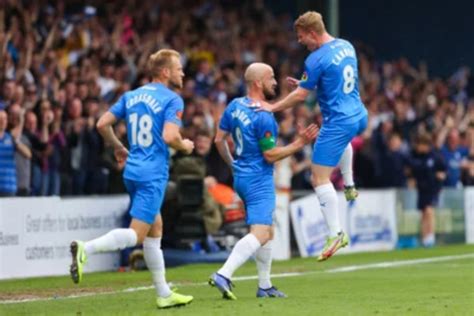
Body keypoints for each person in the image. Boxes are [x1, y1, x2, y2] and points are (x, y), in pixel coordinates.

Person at [69, 49, 194, 309]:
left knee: (155, 229)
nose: (183, 72)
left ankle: (163, 293)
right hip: (152, 174)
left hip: (133, 171)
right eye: (178, 67)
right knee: (137, 235)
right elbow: (171, 137)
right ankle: (86, 249)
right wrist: (186, 146)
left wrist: (117, 147)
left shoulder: (132, 95)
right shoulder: (173, 100)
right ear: (165, 72)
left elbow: (102, 123)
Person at [261, 11, 368, 261]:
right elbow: (336, 78)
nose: (300, 41)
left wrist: (273, 106)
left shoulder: (315, 59)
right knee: (343, 142)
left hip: (338, 121)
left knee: (318, 178)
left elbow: (300, 96)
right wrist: (307, 82)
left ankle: (336, 233)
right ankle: (350, 185)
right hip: (359, 115)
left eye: (301, 37)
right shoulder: (346, 45)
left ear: (312, 33)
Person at [209, 63, 318, 300]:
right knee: (260, 233)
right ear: (258, 82)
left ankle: (265, 285)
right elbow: (269, 155)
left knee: (267, 231)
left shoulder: (234, 105)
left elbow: (219, 140)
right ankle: (223, 274)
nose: (275, 83)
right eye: (271, 78)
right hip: (259, 179)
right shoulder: (265, 116)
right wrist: (299, 144)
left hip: (242, 177)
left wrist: (232, 164)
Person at [408, 133, 446, 247]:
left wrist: (441, 176)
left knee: (429, 211)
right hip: (421, 189)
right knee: (424, 213)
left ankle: (431, 236)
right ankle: (425, 238)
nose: (418, 147)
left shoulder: (435, 156)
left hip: (432, 188)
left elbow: (443, 169)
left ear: (425, 145)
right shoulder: (416, 156)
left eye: (420, 145)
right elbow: (412, 170)